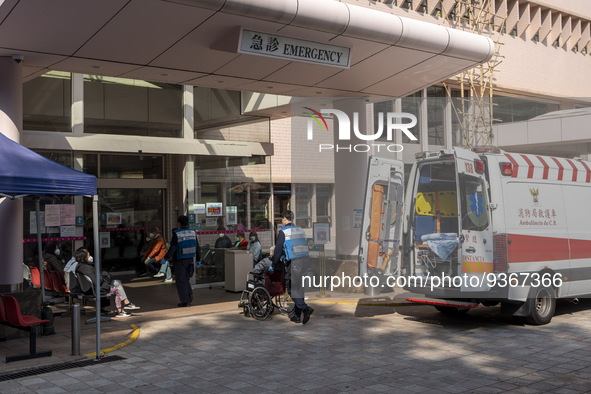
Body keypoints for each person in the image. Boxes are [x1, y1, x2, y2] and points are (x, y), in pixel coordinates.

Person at [271, 210, 314, 324]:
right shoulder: (300, 230)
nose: (282, 220)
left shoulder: (283, 232)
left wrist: (274, 262)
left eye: (282, 218)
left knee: (291, 288)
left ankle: (305, 309)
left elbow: (278, 249)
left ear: (285, 218)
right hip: (305, 260)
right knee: (299, 288)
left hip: (295, 262)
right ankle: (297, 315)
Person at [74, 248, 139, 317]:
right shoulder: (87, 268)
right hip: (95, 290)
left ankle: (125, 303)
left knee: (116, 282)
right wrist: (105, 275)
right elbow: (97, 282)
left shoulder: (80, 267)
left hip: (89, 289)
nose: (90, 257)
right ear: (84, 257)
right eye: (88, 255)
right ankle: (121, 310)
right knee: (117, 286)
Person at [165, 215, 199, 307]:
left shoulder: (176, 233)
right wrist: (198, 260)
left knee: (181, 280)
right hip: (190, 259)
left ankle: (185, 301)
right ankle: (189, 294)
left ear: (179, 223)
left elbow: (173, 248)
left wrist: (166, 258)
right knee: (186, 279)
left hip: (180, 260)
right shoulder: (192, 232)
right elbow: (198, 247)